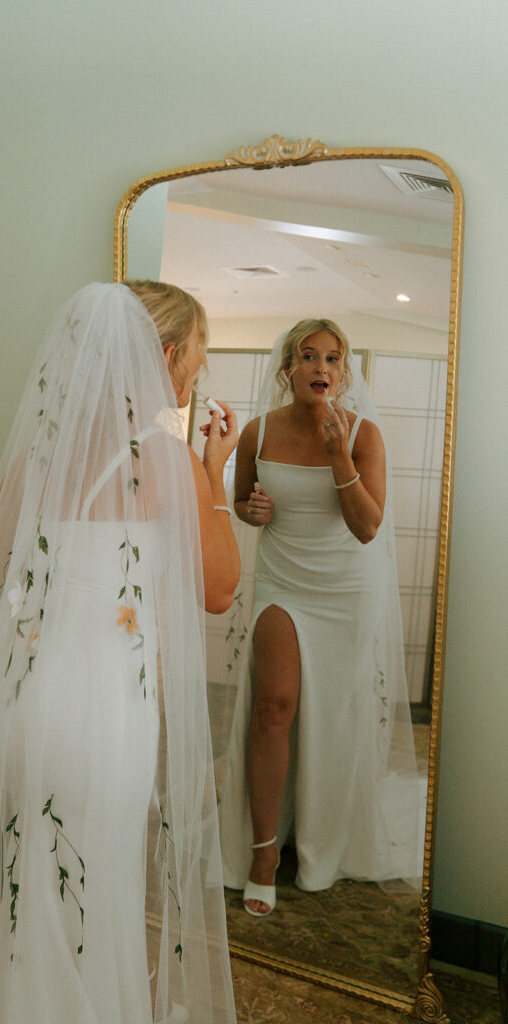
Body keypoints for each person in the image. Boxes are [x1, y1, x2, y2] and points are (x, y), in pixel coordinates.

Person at [0, 281, 240, 1023]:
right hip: (98, 723)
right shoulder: (164, 461)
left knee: (24, 892)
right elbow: (219, 589)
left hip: (16, 712)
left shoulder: (34, 458)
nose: (196, 374)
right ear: (164, 357)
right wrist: (213, 475)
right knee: (92, 888)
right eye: (196, 357)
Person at [219, 319, 421, 917]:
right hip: (284, 585)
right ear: (288, 368)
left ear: (345, 372)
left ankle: (319, 841)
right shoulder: (258, 431)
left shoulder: (363, 434)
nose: (321, 368)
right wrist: (252, 511)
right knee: (273, 707)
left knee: (334, 718)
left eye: (333, 359)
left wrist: (338, 456)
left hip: (345, 591)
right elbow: (243, 505)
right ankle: (260, 852)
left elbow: (366, 527)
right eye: (309, 356)